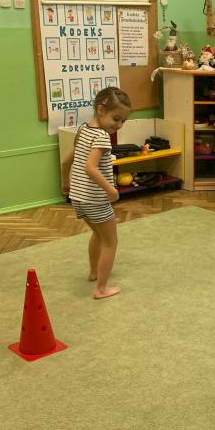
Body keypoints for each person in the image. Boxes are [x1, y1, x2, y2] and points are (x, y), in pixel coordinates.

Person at [61, 87, 131, 299]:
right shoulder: (101, 136)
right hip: (94, 199)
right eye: (116, 118)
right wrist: (111, 190)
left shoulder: (84, 129)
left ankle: (93, 273)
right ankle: (101, 288)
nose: (118, 125)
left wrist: (65, 183)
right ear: (101, 110)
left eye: (123, 121)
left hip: (78, 198)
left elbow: (66, 161)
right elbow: (90, 168)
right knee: (110, 242)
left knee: (99, 235)